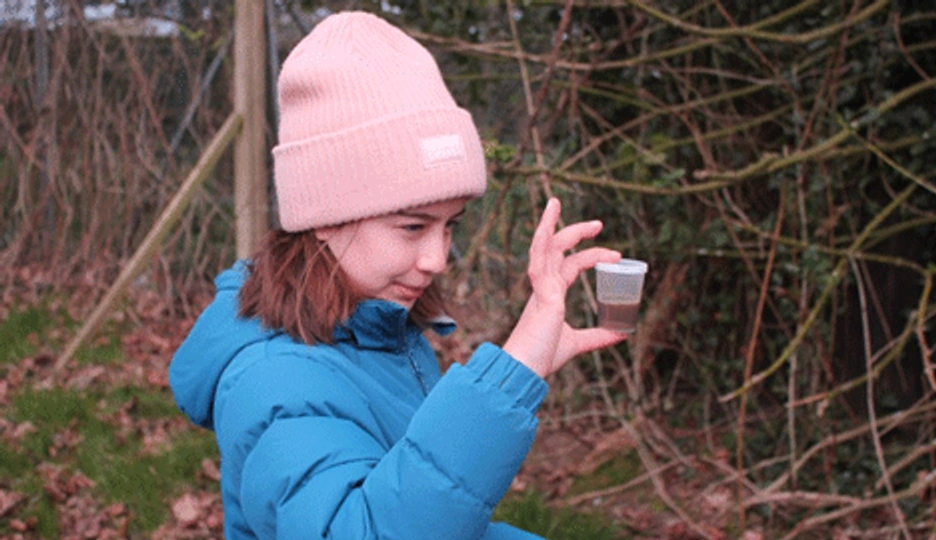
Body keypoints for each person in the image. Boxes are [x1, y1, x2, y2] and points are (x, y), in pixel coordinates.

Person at [169, 10, 626, 540]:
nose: (437, 258)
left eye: (450, 226)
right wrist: (513, 369)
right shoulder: (276, 380)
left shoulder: (374, 333)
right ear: (325, 218)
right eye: (412, 227)